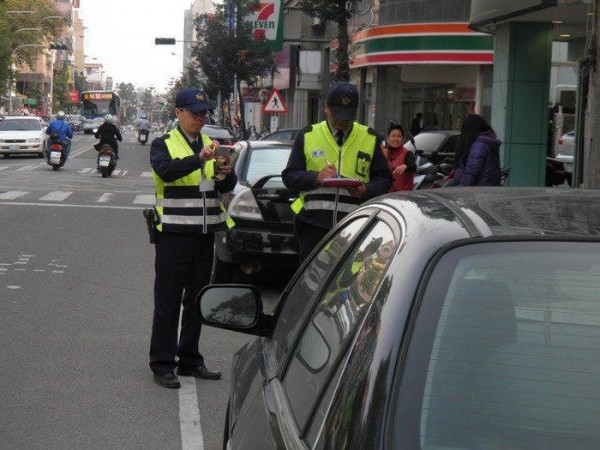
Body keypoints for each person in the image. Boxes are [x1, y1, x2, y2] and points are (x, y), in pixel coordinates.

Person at [148, 88, 237, 389]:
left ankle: (189, 359)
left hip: (204, 236)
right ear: (178, 113)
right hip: (173, 235)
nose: (199, 118)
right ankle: (162, 363)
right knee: (168, 301)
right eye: (193, 112)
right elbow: (167, 172)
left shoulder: (212, 147)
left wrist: (225, 171)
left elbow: (225, 184)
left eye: (203, 113)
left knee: (197, 301)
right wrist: (199, 159)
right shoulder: (164, 144)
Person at [282, 81, 392, 263]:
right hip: (314, 226)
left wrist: (365, 189)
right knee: (310, 282)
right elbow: (290, 176)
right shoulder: (308, 135)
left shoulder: (370, 138)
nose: (342, 122)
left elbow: (384, 179)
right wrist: (316, 177)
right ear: (326, 108)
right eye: (338, 115)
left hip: (355, 226)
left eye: (347, 117)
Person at [450, 113, 502, 186]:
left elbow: (470, 174)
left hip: (478, 191)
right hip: (486, 188)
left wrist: (458, 190)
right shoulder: (487, 142)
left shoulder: (479, 146)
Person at [385, 124, 416, 191]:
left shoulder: (407, 154)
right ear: (388, 139)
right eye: (393, 136)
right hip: (384, 196)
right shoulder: (383, 153)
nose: (396, 139)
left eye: (399, 136)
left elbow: (413, 166)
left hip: (402, 197)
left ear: (402, 140)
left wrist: (405, 166)